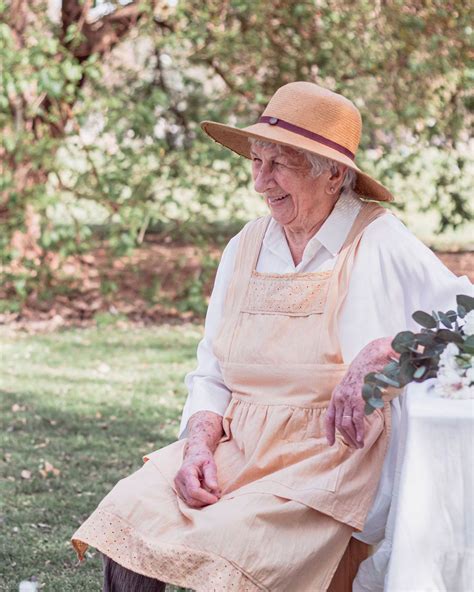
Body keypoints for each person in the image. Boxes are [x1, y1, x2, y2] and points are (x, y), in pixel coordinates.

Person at [72, 82, 471, 591]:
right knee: (130, 523)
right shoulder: (246, 244)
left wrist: (388, 349)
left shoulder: (379, 239)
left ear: (335, 175)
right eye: (256, 161)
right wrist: (197, 446)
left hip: (326, 462)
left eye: (280, 164)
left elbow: (466, 324)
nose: (261, 182)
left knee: (231, 546)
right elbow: (212, 369)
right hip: (237, 444)